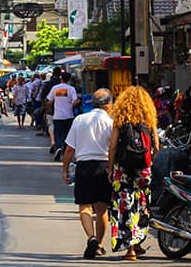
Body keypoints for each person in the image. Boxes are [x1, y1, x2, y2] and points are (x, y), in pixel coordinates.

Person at [61, 88, 114, 259]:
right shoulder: (111, 122)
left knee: (84, 206)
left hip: (83, 167)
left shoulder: (79, 120)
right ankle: (98, 244)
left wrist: (64, 168)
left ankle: (91, 238)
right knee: (102, 209)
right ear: (109, 105)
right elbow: (114, 148)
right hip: (104, 167)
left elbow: (69, 148)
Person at [107, 86, 159, 261]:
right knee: (141, 204)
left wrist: (110, 167)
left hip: (123, 170)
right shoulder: (149, 120)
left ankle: (130, 250)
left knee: (124, 206)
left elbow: (113, 146)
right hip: (143, 170)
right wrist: (148, 162)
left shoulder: (120, 121)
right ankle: (138, 243)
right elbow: (157, 147)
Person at [47, 71, 80, 161]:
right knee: (67, 134)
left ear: (61, 78)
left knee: (57, 133)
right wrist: (73, 104)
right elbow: (75, 101)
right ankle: (65, 151)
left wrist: (49, 109)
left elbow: (49, 101)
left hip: (58, 116)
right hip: (69, 115)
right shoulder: (71, 89)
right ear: (69, 79)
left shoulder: (55, 88)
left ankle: (58, 147)